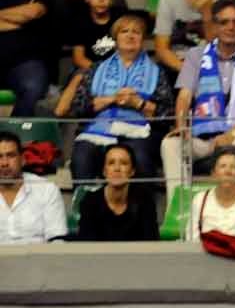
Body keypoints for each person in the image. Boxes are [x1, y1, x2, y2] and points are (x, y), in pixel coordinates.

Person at [161, 0, 235, 198]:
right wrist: (181, 126)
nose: (231, 27)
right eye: (224, 22)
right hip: (200, 135)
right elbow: (184, 97)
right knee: (170, 144)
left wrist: (231, 135)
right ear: (215, 26)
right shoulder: (196, 55)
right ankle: (179, 210)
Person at [68, 11, 173, 183]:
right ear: (115, 38)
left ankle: (142, 207)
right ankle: (82, 207)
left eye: (136, 32)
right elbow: (78, 107)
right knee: (82, 156)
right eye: (125, 31)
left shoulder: (157, 72)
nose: (130, 35)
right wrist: (110, 99)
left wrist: (137, 103)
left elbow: (167, 113)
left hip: (141, 131)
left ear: (143, 39)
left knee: (140, 156)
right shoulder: (96, 68)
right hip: (98, 129)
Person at [76, 141, 160, 242]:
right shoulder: (90, 202)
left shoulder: (145, 201)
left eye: (124, 163)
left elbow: (152, 245)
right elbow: (86, 248)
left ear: (132, 171)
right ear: (104, 171)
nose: (117, 168)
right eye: (111, 163)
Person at [0, 128, 67, 243]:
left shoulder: (47, 190)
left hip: (39, 259)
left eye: (11, 156)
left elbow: (57, 241)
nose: (4, 163)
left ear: (23, 160)